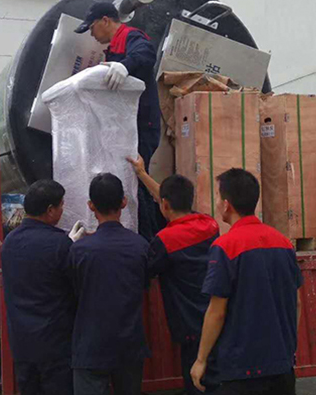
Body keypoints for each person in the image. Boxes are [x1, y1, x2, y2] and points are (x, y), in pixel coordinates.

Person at [190, 169, 303, 395]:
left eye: (217, 196)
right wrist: (288, 347)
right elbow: (297, 302)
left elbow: (217, 312)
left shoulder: (225, 247)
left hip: (241, 370)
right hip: (281, 366)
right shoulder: (283, 243)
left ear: (226, 205)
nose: (217, 202)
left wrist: (201, 360)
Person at [128, 155, 219, 395]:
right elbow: (169, 200)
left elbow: (144, 272)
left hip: (190, 323)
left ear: (165, 205)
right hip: (217, 318)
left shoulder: (165, 241)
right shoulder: (210, 225)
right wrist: (142, 174)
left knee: (197, 383)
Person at [75, 2, 161, 240]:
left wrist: (125, 66)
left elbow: (146, 54)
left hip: (141, 126)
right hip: (126, 128)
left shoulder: (130, 37)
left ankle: (147, 242)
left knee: (137, 181)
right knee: (130, 181)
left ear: (105, 20)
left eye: (92, 27)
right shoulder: (113, 48)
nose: (92, 35)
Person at [68, 173, 150, 395]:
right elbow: (145, 284)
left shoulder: (79, 250)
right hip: (129, 347)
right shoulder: (140, 246)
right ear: (124, 202)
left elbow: (71, 292)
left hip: (90, 347)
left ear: (91, 206)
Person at [1, 180, 82, 395]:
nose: (63, 210)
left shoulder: (9, 242)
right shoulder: (60, 245)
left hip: (22, 343)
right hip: (55, 345)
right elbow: (77, 287)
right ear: (50, 210)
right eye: (61, 205)